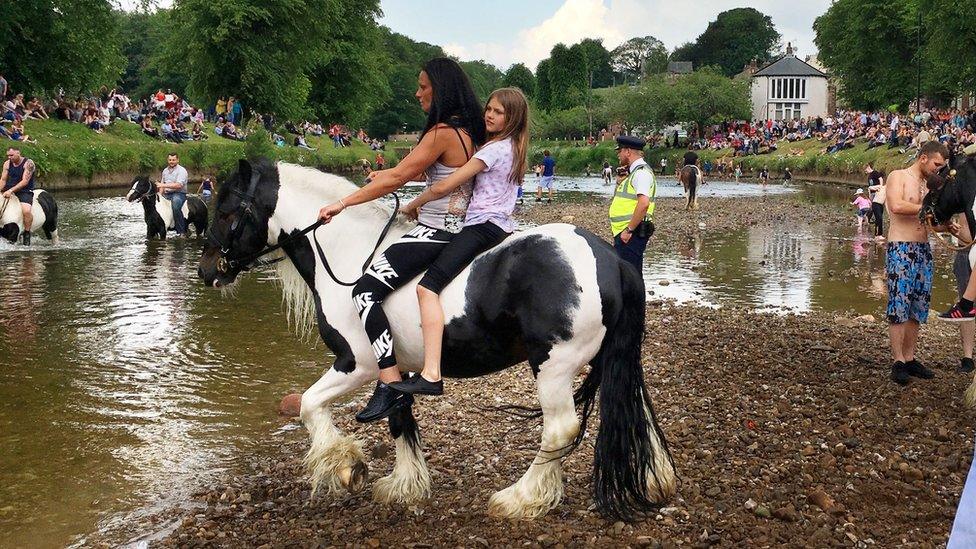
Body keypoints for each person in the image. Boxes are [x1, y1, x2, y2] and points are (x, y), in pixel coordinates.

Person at [316, 57, 485, 422]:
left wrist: (342, 203)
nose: (417, 93)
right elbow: (401, 171)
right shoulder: (466, 132)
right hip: (455, 228)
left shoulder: (441, 132)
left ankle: (390, 380)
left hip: (437, 231)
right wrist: (384, 174)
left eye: (423, 86)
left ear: (439, 90)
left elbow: (399, 179)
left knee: (363, 291)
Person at [390, 87, 529, 397]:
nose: (489, 115)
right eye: (489, 109)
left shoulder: (491, 151)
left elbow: (445, 186)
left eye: (498, 112)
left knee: (427, 288)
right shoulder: (514, 148)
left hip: (480, 227)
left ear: (512, 118)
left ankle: (430, 372)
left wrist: (413, 204)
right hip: (502, 226)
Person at [885, 140, 949, 384]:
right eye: (936, 164)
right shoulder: (898, 175)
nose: (938, 170)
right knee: (899, 304)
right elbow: (896, 205)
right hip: (901, 247)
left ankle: (910, 358)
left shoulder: (927, 185)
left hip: (923, 248)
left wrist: (947, 226)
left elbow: (930, 221)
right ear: (923, 157)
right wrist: (927, 208)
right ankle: (898, 360)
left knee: (918, 306)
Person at [609, 135, 656, 273]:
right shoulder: (634, 173)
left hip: (631, 232)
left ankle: (634, 296)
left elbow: (643, 203)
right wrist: (619, 182)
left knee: (629, 276)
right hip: (626, 231)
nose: (618, 154)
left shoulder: (641, 174)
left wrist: (628, 230)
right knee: (628, 274)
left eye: (620, 151)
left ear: (628, 152)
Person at [0, 147, 37, 245]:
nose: (9, 157)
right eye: (8, 155)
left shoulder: (28, 163)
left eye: (11, 155)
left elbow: (25, 181)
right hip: (8, 188)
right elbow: (3, 180)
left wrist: (11, 191)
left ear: (18, 153)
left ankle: (27, 233)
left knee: (26, 210)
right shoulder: (7, 164)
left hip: (24, 190)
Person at [157, 153, 189, 236]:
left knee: (175, 205)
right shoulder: (165, 171)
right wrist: (160, 195)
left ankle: (181, 232)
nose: (171, 162)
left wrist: (162, 185)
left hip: (179, 193)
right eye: (170, 160)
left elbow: (179, 185)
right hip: (167, 193)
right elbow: (162, 184)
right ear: (168, 160)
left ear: (177, 160)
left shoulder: (182, 170)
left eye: (173, 160)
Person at [866, 164, 886, 239]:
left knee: (879, 219)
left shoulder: (888, 190)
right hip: (876, 203)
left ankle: (877, 235)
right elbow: (870, 187)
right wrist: (878, 187)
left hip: (880, 205)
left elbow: (887, 202)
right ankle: (878, 235)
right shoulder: (882, 187)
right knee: (879, 218)